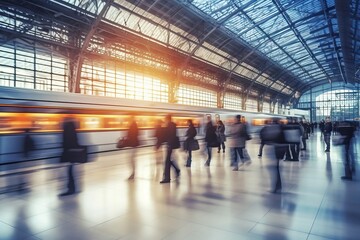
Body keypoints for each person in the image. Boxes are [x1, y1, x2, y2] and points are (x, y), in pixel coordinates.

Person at [260, 118, 287, 193]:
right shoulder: (281, 128)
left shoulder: (270, 128)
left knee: (273, 169)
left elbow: (263, 137)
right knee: (276, 169)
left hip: (272, 149)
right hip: (279, 150)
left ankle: (275, 186)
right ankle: (278, 185)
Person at [59, 117, 79, 196]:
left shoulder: (68, 129)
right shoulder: (72, 128)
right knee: (70, 172)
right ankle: (71, 188)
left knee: (69, 172)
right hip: (71, 154)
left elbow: (67, 143)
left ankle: (71, 189)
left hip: (69, 154)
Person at [160, 114, 180, 183]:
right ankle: (177, 170)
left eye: (165, 119)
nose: (165, 120)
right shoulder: (173, 125)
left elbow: (170, 135)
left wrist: (169, 145)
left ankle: (167, 178)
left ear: (167, 119)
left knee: (167, 161)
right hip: (171, 145)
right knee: (168, 161)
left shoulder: (169, 125)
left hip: (170, 145)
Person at [127, 115, 139, 180]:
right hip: (133, 145)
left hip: (133, 145)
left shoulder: (133, 125)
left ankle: (133, 173)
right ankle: (133, 173)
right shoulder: (133, 125)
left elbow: (133, 135)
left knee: (132, 159)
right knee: (131, 159)